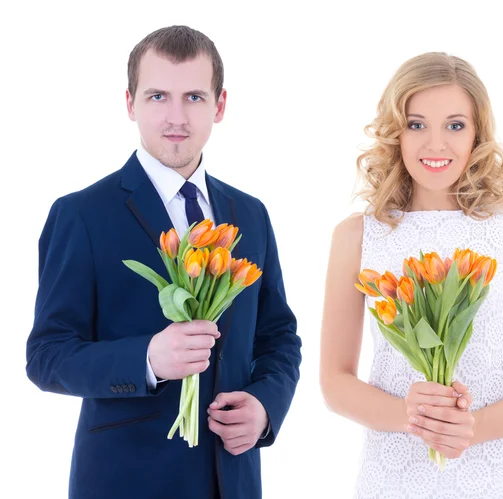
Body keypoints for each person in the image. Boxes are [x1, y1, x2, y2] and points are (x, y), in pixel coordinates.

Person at [26, 25, 301, 499]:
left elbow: (278, 337)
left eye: (194, 97)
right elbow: (47, 357)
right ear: (130, 103)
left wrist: (265, 407)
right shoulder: (80, 214)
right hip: (126, 481)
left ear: (219, 105)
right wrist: (147, 359)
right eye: (158, 96)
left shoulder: (250, 214)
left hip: (233, 480)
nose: (177, 117)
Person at [319, 52, 503, 498]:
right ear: (395, 132)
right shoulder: (356, 237)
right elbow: (334, 382)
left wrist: (471, 429)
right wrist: (411, 414)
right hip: (392, 478)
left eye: (455, 125)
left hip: (497, 478)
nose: (435, 145)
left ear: (478, 132)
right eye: (417, 124)